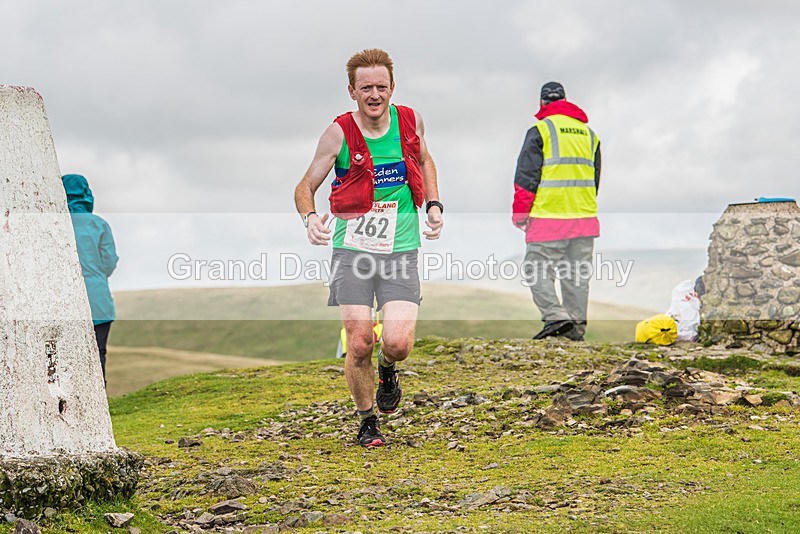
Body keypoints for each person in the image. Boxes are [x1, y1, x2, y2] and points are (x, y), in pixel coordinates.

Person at [294, 49, 443, 447]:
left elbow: (426, 161)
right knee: (359, 340)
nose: (374, 95)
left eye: (381, 86)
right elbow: (305, 186)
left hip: (400, 249)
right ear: (352, 91)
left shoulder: (410, 121)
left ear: (392, 87)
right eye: (366, 88)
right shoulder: (338, 133)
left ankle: (388, 369)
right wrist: (310, 218)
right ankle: (367, 421)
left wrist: (433, 204)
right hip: (353, 251)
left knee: (397, 343)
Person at [512, 82, 601, 342]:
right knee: (577, 275)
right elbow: (595, 179)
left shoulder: (541, 130)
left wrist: (520, 213)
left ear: (542, 104)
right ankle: (575, 329)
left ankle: (555, 315)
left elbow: (526, 177)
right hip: (584, 217)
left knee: (536, 269)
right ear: (565, 100)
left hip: (549, 216)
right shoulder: (589, 134)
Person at [62, 174, 119, 385]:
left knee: (66, 356)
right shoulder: (99, 225)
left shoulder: (56, 224)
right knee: (98, 354)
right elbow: (108, 264)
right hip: (98, 301)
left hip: (65, 301)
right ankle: (100, 405)